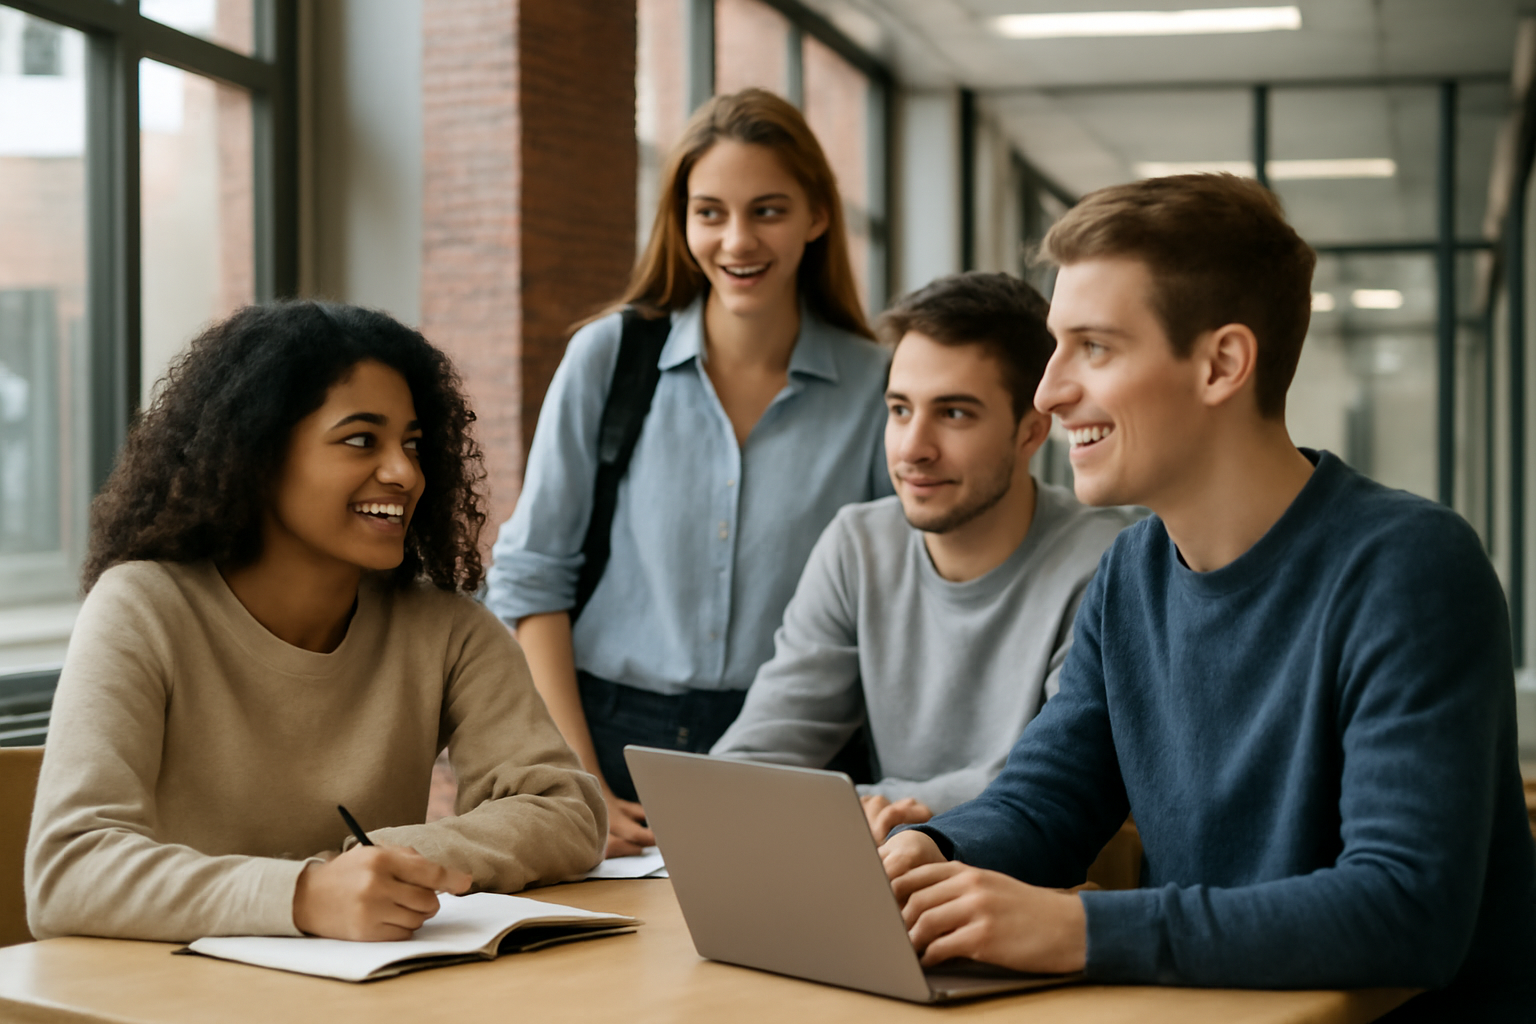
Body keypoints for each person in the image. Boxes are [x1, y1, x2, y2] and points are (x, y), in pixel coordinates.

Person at [879, 174, 1536, 1019]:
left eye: (1096, 348)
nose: (1048, 392)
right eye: (1055, 345)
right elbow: (1047, 800)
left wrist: (1080, 930)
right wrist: (927, 851)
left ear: (1222, 364)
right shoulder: (1131, 574)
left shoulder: (1409, 566)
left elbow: (1405, 907)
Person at [26, 302, 606, 943]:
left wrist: (386, 862)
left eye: (412, 444)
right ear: (258, 453)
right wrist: (304, 894)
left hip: (370, 994)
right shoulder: (142, 608)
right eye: (361, 440)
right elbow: (68, 871)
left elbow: (566, 812)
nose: (405, 473)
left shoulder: (447, 629)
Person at [486, 88, 891, 858]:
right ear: (681, 222)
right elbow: (533, 578)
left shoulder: (881, 387)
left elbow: (893, 597)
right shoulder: (609, 357)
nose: (737, 240)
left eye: (768, 210)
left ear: (818, 215)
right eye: (710, 212)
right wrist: (578, 781)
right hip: (609, 737)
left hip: (800, 742)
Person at [711, 272, 1133, 839]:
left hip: (1028, 885)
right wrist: (866, 810)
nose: (913, 449)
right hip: (883, 875)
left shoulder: (1109, 559)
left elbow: (1057, 777)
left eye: (955, 413)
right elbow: (750, 761)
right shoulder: (858, 546)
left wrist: (869, 806)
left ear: (1031, 432)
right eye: (900, 409)